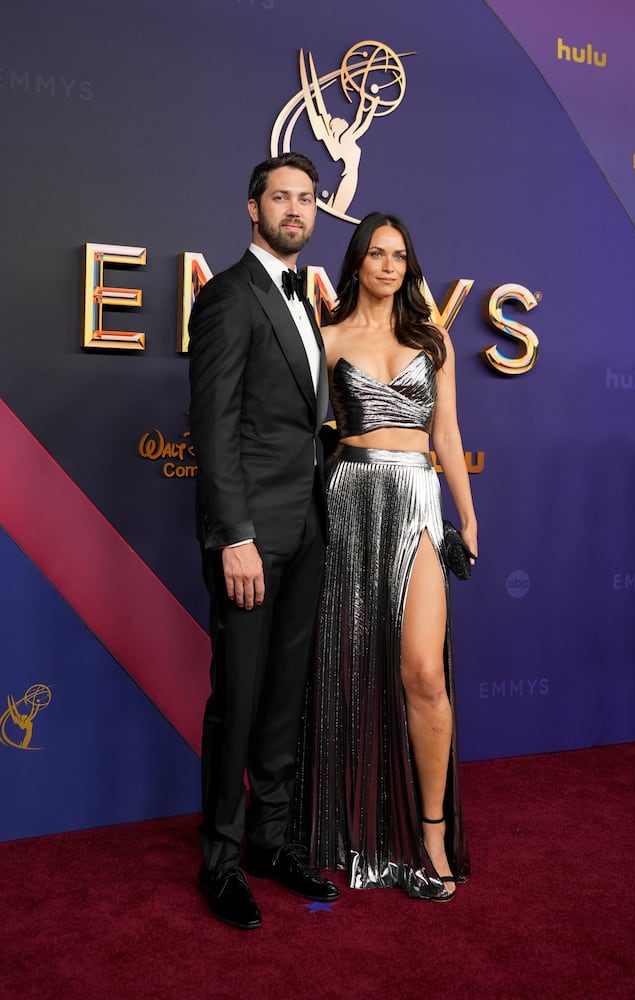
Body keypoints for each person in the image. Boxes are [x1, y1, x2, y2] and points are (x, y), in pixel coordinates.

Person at [293, 212, 478, 900]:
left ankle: (430, 830)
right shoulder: (326, 335)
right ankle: (347, 822)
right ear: (356, 262)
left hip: (416, 501)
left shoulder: (432, 340)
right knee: (344, 665)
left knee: (423, 673)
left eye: (400, 255)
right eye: (377, 253)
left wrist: (467, 513)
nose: (390, 265)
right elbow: (299, 430)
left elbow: (449, 432)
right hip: (347, 498)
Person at [188, 152, 338, 930]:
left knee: (284, 699)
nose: (294, 210)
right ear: (252, 208)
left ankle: (271, 843)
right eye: (280, 197)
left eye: (306, 199)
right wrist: (234, 537)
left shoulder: (304, 299)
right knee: (239, 699)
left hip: (307, 531)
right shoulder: (227, 295)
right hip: (251, 538)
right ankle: (219, 860)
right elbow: (213, 432)